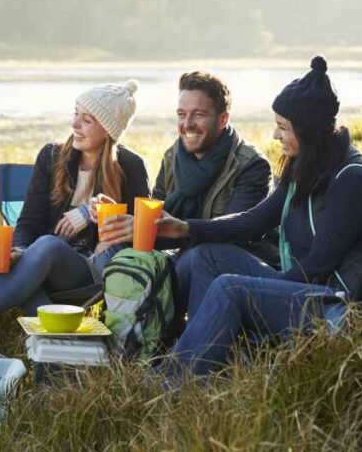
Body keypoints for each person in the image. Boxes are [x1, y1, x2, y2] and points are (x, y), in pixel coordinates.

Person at [155, 57, 362, 377]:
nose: (276, 135)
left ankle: (176, 379)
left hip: (335, 302)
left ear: (307, 131)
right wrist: (185, 228)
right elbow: (255, 220)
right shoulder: (306, 165)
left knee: (231, 288)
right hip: (300, 284)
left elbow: (317, 267)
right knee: (206, 256)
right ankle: (204, 357)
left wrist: (260, 287)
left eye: (282, 127)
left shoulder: (352, 179)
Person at [0, 80, 149, 328]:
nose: (74, 124)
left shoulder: (130, 166)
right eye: (75, 113)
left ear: (108, 131)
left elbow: (143, 234)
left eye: (87, 120)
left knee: (49, 244)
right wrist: (20, 251)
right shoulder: (51, 156)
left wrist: (93, 213)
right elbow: (29, 221)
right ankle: (50, 321)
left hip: (84, 271)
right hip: (37, 261)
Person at [98, 71, 274, 321]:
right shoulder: (172, 158)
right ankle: (124, 334)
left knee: (193, 258)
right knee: (116, 249)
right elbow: (156, 217)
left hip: (230, 263)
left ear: (223, 119)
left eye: (198, 114)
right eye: (181, 114)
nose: (187, 124)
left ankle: (178, 338)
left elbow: (234, 236)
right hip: (181, 253)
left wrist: (177, 230)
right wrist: (128, 225)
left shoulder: (251, 165)